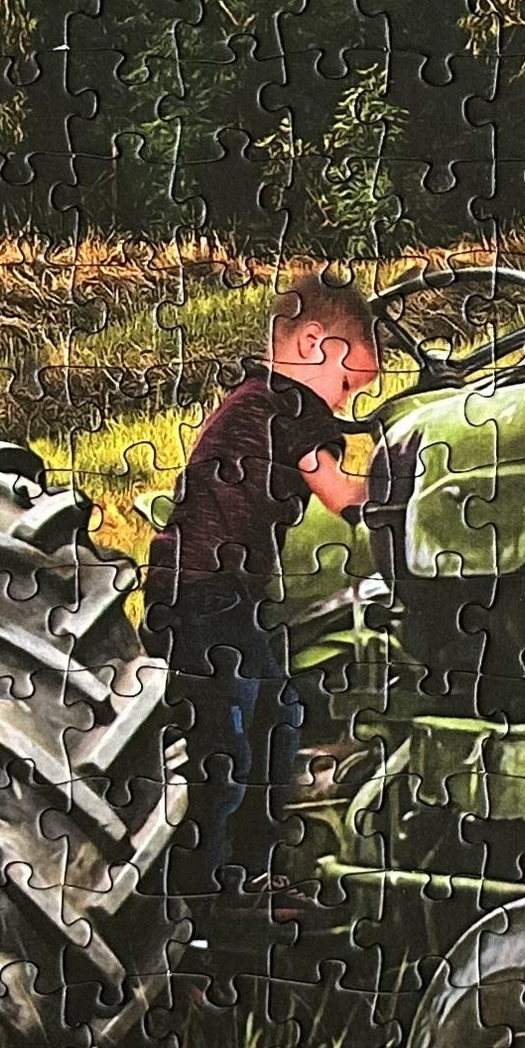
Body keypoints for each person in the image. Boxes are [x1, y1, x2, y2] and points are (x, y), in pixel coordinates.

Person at [142, 273, 379, 902]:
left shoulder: (257, 401)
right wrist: (408, 475)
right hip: (201, 593)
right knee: (228, 747)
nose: (345, 404)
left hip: (228, 593)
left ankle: (256, 877)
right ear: (311, 343)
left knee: (278, 719)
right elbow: (343, 496)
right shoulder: (286, 407)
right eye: (350, 383)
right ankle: (202, 901)